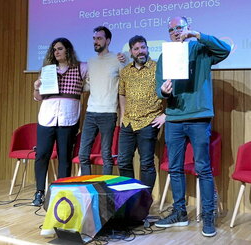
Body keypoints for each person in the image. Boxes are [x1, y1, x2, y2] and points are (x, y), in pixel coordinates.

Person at [154, 17, 230, 236]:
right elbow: (159, 86)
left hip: (198, 117)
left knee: (203, 168)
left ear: (187, 27)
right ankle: (179, 213)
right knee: (175, 168)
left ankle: (208, 216)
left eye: (180, 27)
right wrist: (164, 92)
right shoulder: (165, 56)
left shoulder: (200, 49)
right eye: (171, 29)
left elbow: (224, 50)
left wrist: (197, 35)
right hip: (175, 117)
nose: (176, 32)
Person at [32, 37, 87, 206]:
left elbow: (95, 79)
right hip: (47, 118)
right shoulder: (48, 70)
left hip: (67, 119)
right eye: (54, 49)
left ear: (68, 50)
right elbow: (38, 97)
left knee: (64, 157)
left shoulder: (81, 67)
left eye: (60, 48)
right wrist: (36, 88)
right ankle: (39, 191)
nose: (57, 52)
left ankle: (62, 191)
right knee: (42, 154)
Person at [118, 35, 165, 192]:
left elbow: (170, 92)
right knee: (123, 161)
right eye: (136, 49)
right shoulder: (125, 71)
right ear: (131, 52)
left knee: (146, 164)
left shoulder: (158, 68)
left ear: (147, 48)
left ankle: (143, 203)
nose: (140, 51)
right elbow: (122, 93)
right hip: (128, 123)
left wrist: (165, 115)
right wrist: (122, 115)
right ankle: (128, 199)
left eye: (143, 47)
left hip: (149, 121)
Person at [78, 26, 127, 175]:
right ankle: (88, 189)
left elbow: (125, 82)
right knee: (83, 154)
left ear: (108, 40)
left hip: (108, 113)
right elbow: (89, 85)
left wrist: (125, 57)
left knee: (106, 155)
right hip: (91, 113)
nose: (96, 41)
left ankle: (104, 191)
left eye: (99, 38)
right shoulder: (90, 61)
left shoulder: (118, 59)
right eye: (94, 38)